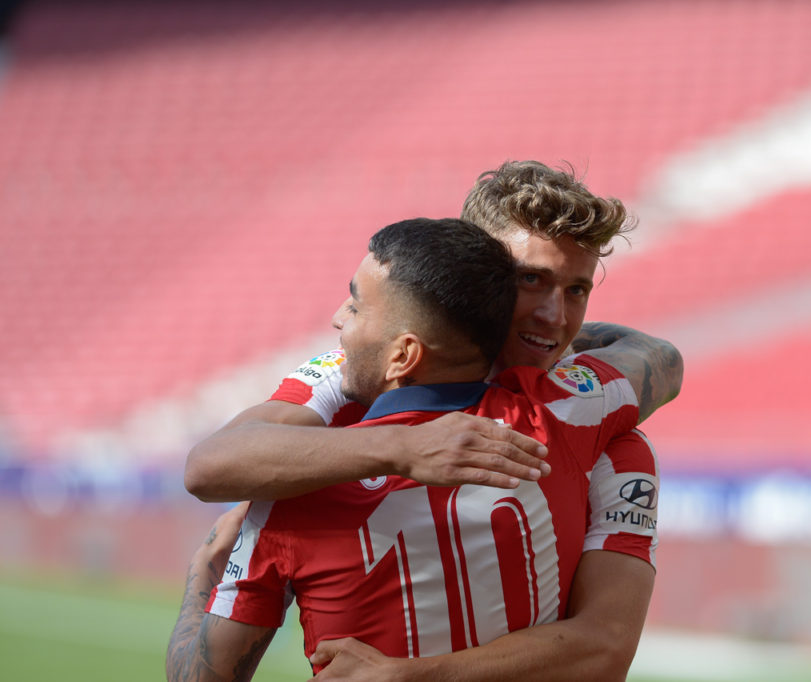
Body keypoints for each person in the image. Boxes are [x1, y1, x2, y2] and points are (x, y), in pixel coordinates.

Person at [170, 161, 683, 680]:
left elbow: (606, 645)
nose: (555, 315)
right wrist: (405, 447)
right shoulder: (348, 378)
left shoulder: (596, 419)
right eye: (531, 280)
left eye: (577, 290)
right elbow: (210, 466)